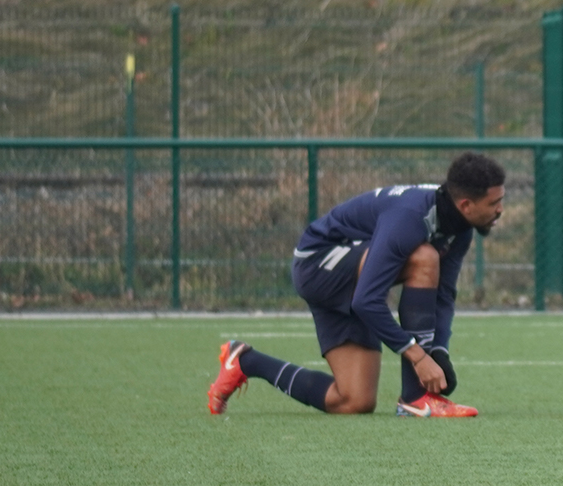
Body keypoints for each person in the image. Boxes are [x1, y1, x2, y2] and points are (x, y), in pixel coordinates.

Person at [206, 152, 506, 418]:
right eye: (494, 203)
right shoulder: (412, 216)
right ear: (466, 204)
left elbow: (443, 297)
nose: (500, 210)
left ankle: (245, 360)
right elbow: (367, 300)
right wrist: (419, 356)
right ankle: (416, 399)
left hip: (352, 277)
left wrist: (438, 351)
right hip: (318, 264)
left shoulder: (462, 227)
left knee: (353, 401)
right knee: (424, 258)